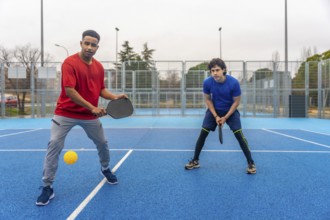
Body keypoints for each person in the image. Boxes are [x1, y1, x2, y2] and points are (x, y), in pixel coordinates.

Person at [36, 30, 128, 206]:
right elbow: (70, 91)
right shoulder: (69, 63)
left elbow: (101, 90)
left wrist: (115, 97)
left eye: (93, 45)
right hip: (65, 113)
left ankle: (105, 168)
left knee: (102, 143)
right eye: (87, 43)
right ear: (81, 43)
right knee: (54, 143)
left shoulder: (99, 67)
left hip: (89, 115)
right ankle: (47, 186)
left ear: (97, 47)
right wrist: (93, 107)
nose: (89, 47)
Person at [185, 58, 256, 174]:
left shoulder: (234, 83)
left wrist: (225, 117)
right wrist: (216, 116)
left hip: (230, 111)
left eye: (217, 70)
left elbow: (236, 102)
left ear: (224, 70)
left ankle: (251, 162)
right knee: (203, 133)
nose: (215, 73)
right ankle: (195, 160)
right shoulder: (207, 82)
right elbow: (208, 100)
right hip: (214, 110)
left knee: (239, 135)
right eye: (212, 71)